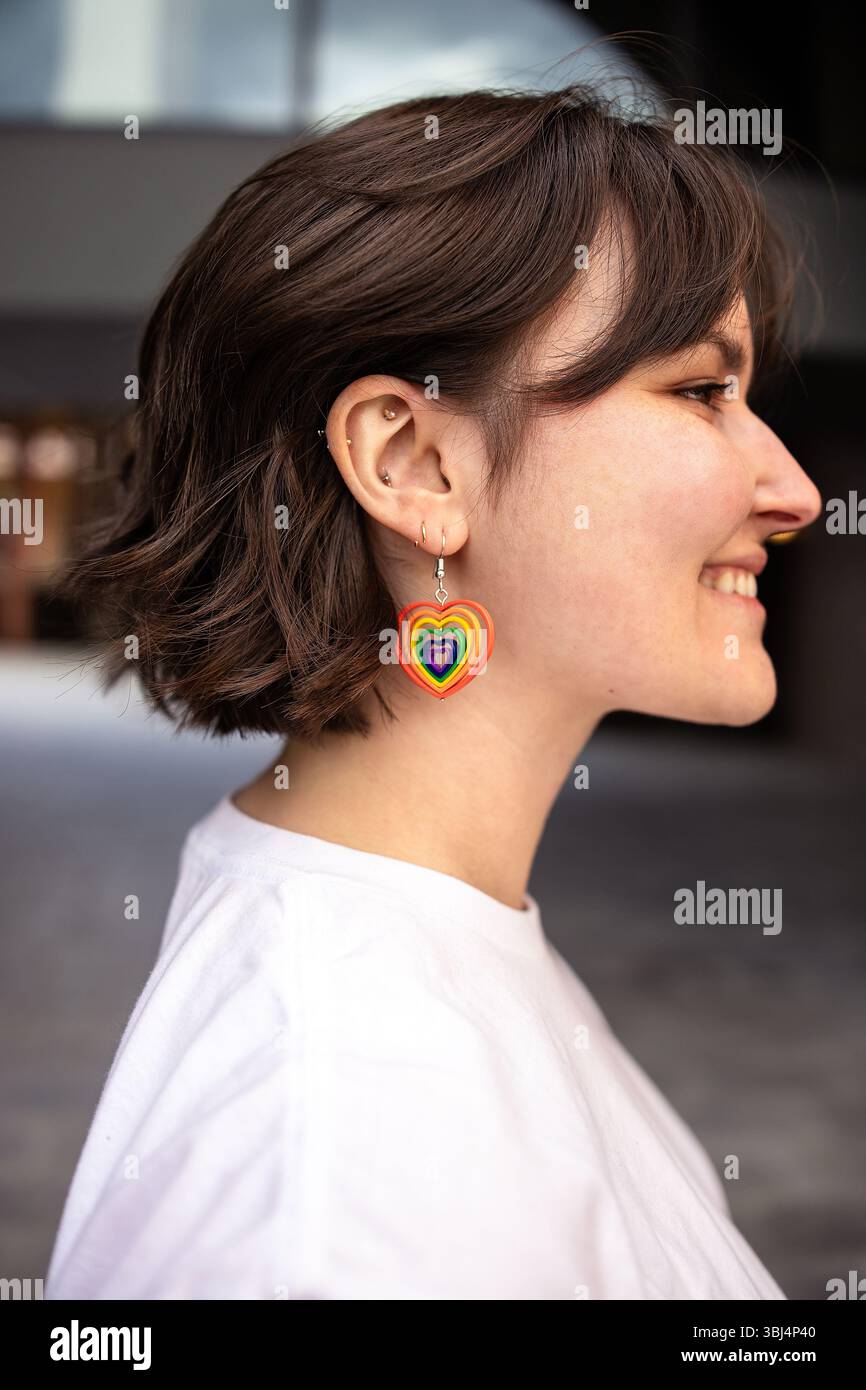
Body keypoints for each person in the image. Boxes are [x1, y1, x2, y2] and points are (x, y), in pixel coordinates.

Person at [45, 80, 821, 1300]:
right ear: (414, 464)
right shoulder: (346, 1186)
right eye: (699, 391)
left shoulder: (432, 942)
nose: (792, 492)